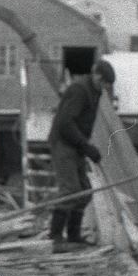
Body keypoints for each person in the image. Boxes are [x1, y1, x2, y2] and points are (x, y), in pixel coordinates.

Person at [47, 58, 116, 251]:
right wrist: (86, 146)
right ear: (97, 76)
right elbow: (65, 123)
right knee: (70, 190)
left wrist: (85, 147)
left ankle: (73, 235)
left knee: (85, 191)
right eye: (104, 83)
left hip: (74, 145)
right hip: (63, 143)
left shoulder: (93, 91)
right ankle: (54, 237)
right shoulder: (79, 90)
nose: (105, 89)